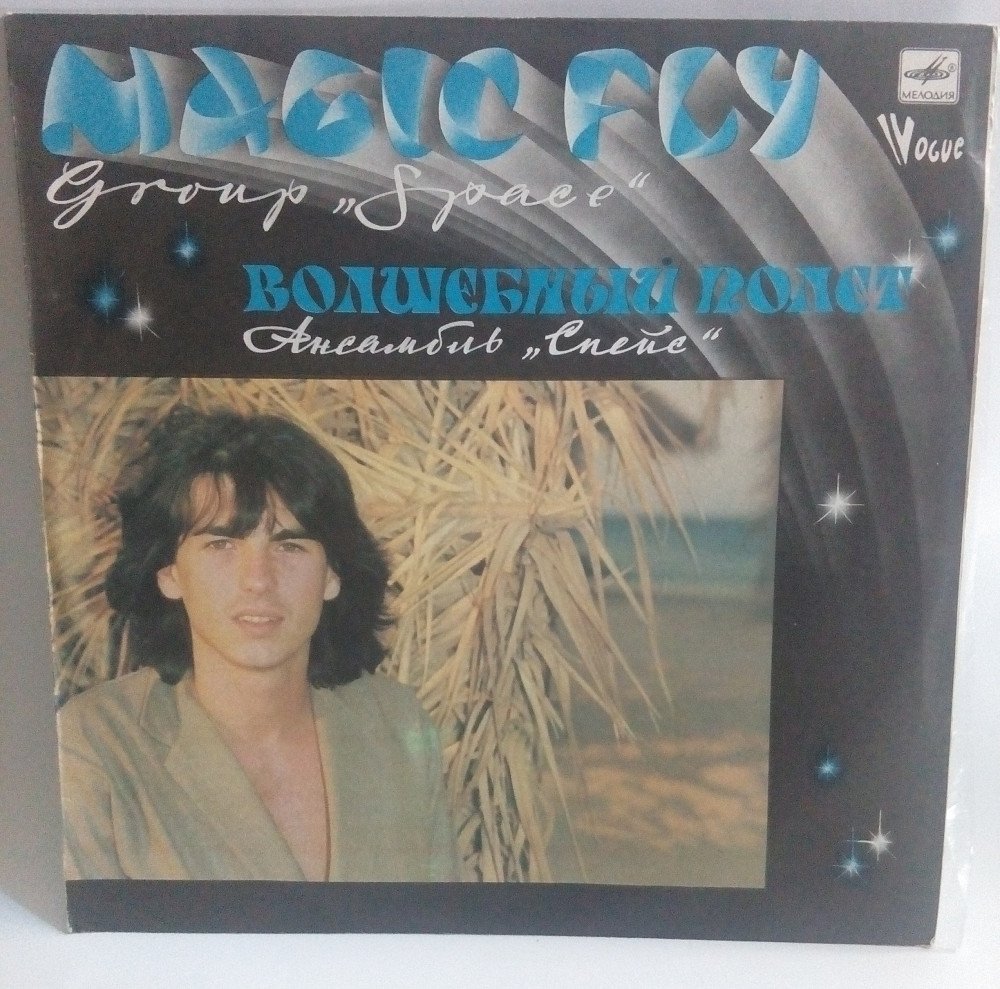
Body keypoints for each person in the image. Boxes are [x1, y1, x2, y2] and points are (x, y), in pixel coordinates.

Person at [57, 405, 459, 882]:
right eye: (221, 545)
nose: (259, 580)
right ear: (169, 573)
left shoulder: (398, 727)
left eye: (290, 545)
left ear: (332, 575)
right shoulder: (95, 745)